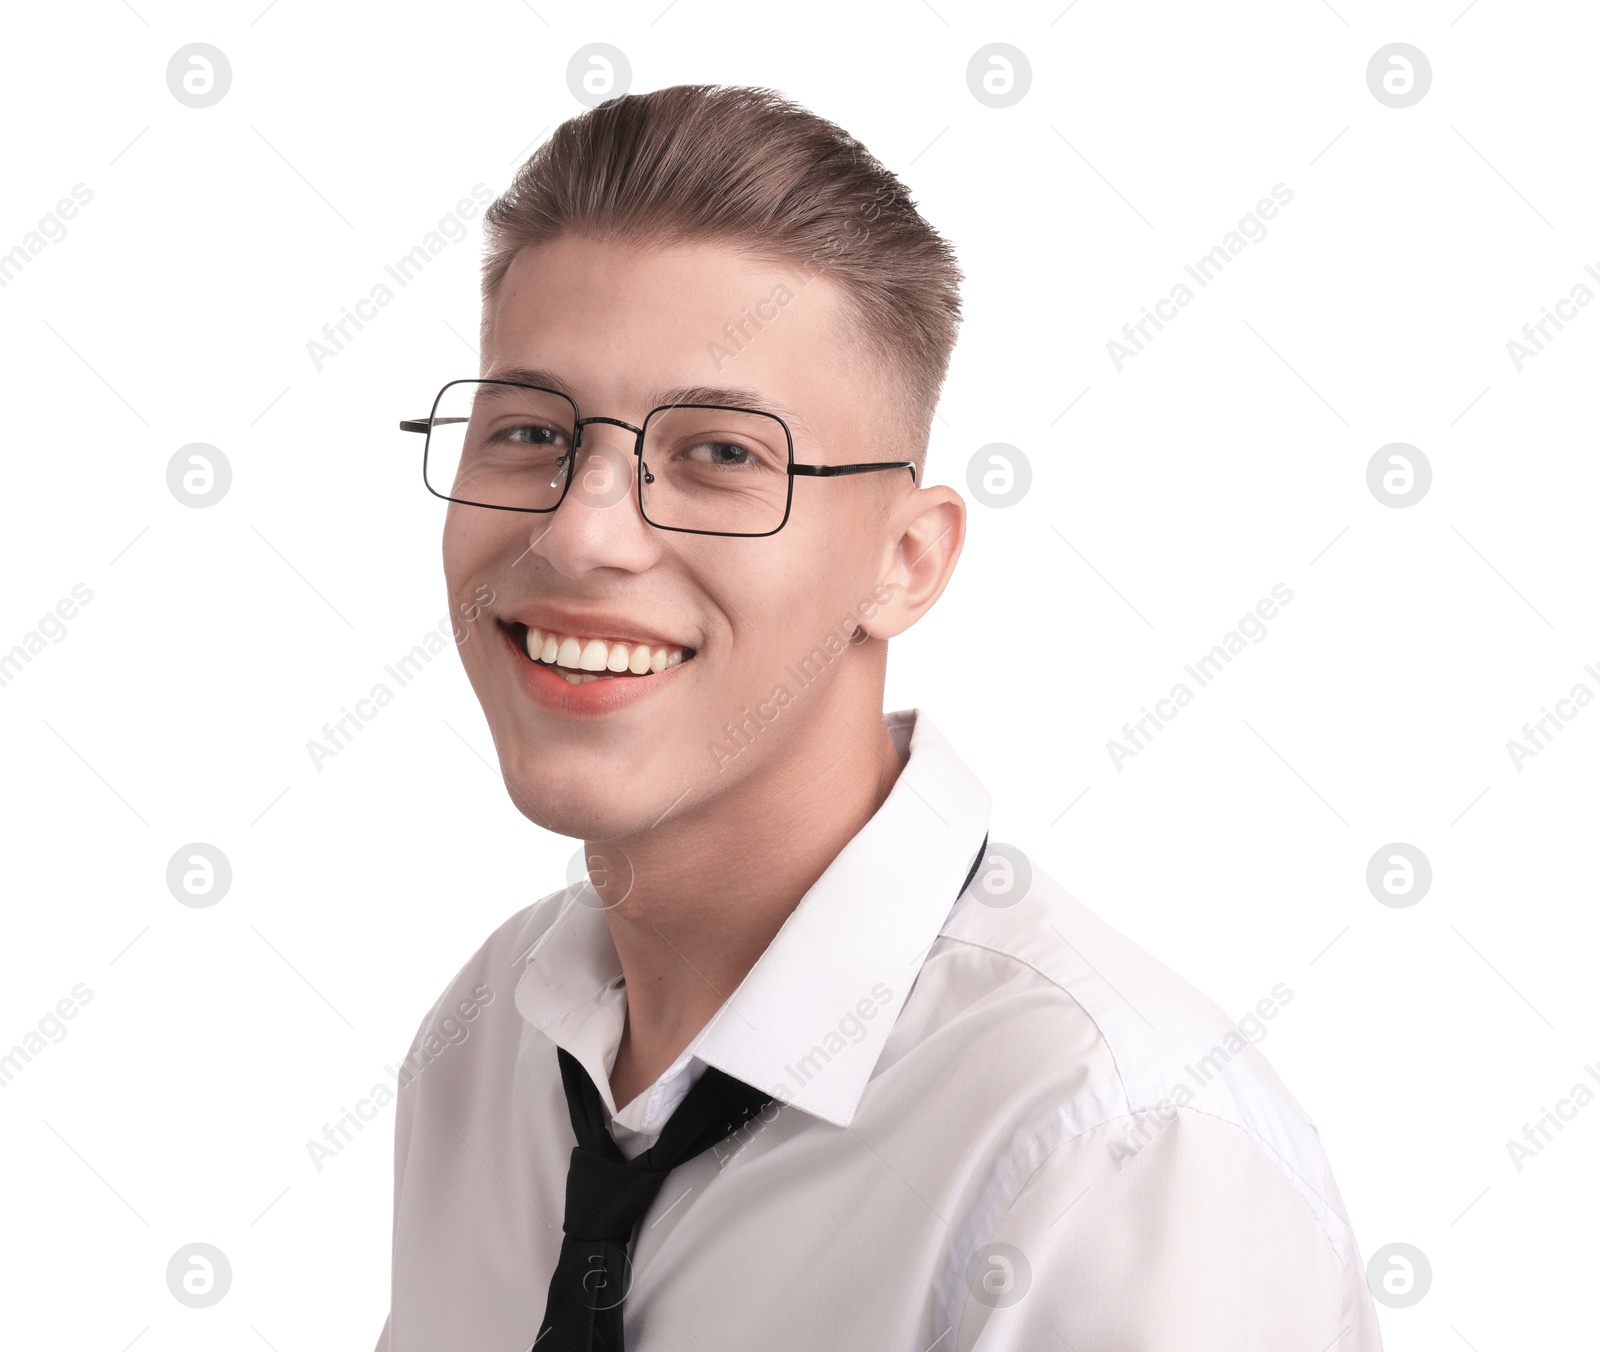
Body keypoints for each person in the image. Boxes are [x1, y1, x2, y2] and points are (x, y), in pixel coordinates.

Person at [376, 83, 1383, 1351]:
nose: (581, 531)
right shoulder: (486, 1047)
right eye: (529, 431)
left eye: (720, 454)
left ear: (903, 561)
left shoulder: (1114, 1148)